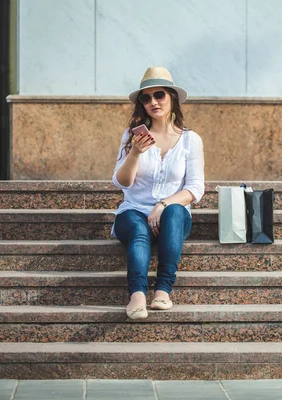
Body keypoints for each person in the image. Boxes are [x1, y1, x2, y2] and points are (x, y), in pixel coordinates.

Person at [112, 66, 205, 319]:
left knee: (175, 211)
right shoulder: (132, 137)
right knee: (139, 231)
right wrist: (135, 153)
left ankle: (163, 290)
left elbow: (195, 188)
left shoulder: (190, 140)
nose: (153, 102)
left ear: (172, 98)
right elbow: (122, 182)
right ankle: (138, 296)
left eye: (159, 95)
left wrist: (163, 204)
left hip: (172, 217)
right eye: (146, 97)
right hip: (133, 212)